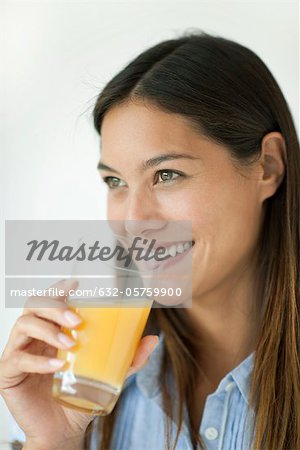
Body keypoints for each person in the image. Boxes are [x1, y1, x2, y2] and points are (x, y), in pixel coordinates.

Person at [0, 31, 299, 450]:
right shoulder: (82, 381)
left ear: (268, 166)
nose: (133, 221)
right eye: (115, 181)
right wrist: (54, 437)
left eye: (167, 174)